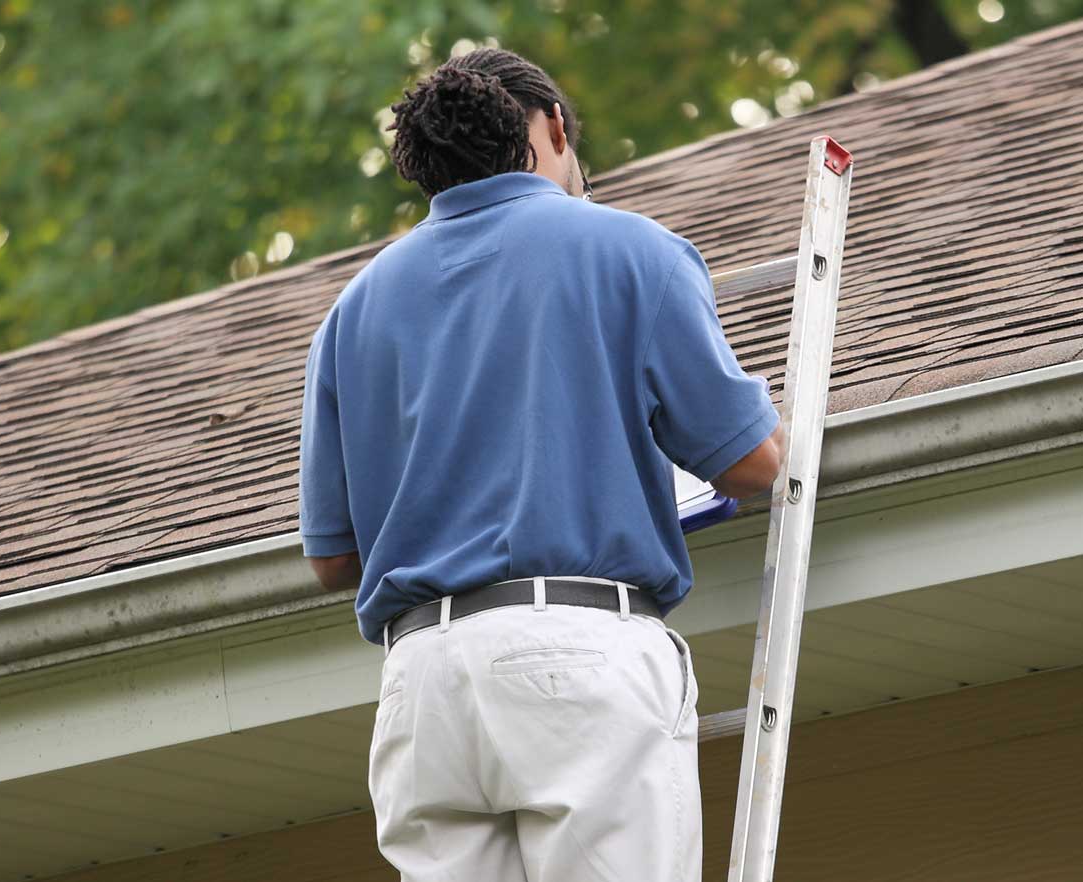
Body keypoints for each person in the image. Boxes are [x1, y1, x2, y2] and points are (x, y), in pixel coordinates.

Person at [297, 46, 784, 881]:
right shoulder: (631, 250)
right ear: (553, 127)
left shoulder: (353, 312)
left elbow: (333, 558)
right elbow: (752, 465)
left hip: (421, 689)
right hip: (575, 653)